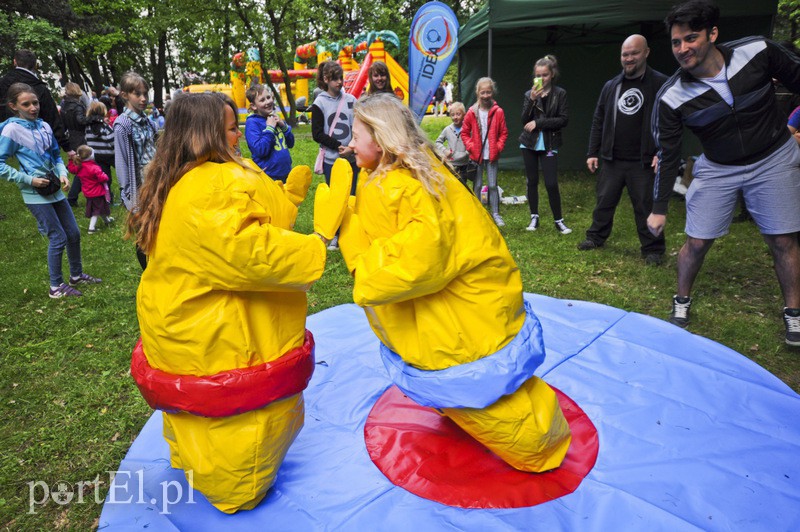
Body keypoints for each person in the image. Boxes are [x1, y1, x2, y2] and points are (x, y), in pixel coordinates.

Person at [127, 92, 349, 513]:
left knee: (196, 417)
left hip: (178, 324)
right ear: (206, 133)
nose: (239, 135)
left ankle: (197, 462)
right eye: (232, 128)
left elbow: (245, 217)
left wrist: (289, 198)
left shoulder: (186, 176)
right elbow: (249, 252)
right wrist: (318, 242)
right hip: (214, 335)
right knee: (238, 431)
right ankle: (236, 486)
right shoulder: (210, 186)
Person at [338, 93, 571, 473]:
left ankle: (542, 444)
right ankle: (470, 411)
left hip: (458, 316)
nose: (349, 141)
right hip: (452, 308)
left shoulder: (400, 185)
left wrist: (348, 240)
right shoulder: (394, 174)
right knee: (466, 387)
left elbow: (416, 263)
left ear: (381, 139)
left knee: (487, 395)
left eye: (357, 133)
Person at [648, 0, 800, 346]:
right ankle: (682, 300)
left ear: (712, 34)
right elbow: (668, 154)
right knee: (698, 241)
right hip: (717, 167)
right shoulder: (671, 96)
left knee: (782, 239)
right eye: (675, 42)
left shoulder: (758, 51)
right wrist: (658, 209)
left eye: (690, 38)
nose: (682, 49)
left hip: (774, 156)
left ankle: (794, 313)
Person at [0, 83, 101, 298]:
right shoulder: (11, 130)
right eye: (25, 104)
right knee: (58, 237)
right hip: (34, 194)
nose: (32, 108)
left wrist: (63, 172)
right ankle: (56, 287)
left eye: (35, 103)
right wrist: (28, 179)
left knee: (73, 233)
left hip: (54, 188)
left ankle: (76, 275)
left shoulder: (45, 126)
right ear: (13, 106)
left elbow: (56, 155)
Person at [579, 35, 668, 265]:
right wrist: (592, 152)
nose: (629, 58)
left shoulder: (660, 83)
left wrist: (662, 151)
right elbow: (598, 119)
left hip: (643, 160)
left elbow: (672, 121)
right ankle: (595, 238)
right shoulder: (611, 86)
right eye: (625, 54)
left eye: (634, 53)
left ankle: (653, 249)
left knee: (645, 206)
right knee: (604, 202)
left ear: (646, 53)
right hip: (612, 159)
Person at [519, 55, 572, 234]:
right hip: (529, 144)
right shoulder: (529, 94)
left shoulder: (560, 93)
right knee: (532, 181)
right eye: (538, 75)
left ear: (552, 74)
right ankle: (534, 217)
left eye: (545, 75)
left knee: (551, 183)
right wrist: (533, 100)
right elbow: (524, 120)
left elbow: (563, 120)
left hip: (550, 144)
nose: (541, 79)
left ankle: (559, 220)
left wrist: (539, 123)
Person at [311, 60, 358, 249]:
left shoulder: (351, 100)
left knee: (354, 196)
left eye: (341, 78)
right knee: (337, 198)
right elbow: (317, 134)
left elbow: (358, 127)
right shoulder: (319, 103)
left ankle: (353, 233)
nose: (340, 82)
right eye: (335, 79)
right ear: (325, 80)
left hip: (353, 158)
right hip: (332, 160)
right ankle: (337, 235)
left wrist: (353, 147)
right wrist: (339, 146)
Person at [114, 71, 157, 270]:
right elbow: (122, 162)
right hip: (140, 184)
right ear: (125, 95)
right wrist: (130, 197)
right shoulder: (123, 124)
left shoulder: (147, 119)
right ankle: (148, 271)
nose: (143, 99)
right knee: (144, 232)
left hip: (156, 177)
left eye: (145, 93)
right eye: (137, 94)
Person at [0, 50, 70, 152]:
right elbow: (51, 116)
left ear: (15, 62)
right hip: (36, 140)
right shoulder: (39, 87)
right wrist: (66, 145)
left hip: (10, 141)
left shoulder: (3, 83)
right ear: (35, 64)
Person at [462, 77, 508, 227]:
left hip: (492, 155)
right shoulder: (471, 112)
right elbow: (464, 132)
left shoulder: (498, 112)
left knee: (493, 185)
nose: (486, 95)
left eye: (488, 92)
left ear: (492, 92)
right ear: (478, 93)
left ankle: (495, 213)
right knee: (478, 184)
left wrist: (499, 147)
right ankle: (478, 212)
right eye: (483, 92)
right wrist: (470, 147)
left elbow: (503, 133)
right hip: (477, 156)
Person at [244, 83, 294, 182]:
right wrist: (270, 129)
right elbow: (260, 150)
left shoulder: (273, 117)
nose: (268, 102)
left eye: (268, 97)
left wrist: (284, 127)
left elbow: (291, 143)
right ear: (253, 106)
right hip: (269, 176)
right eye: (262, 100)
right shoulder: (252, 123)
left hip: (286, 173)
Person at [67, 145, 113, 234]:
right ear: (91, 156)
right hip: (97, 193)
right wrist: (105, 175)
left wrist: (70, 160)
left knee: (100, 207)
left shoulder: (80, 166)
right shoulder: (94, 167)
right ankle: (91, 228)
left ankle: (107, 220)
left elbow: (72, 170)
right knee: (96, 211)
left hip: (88, 193)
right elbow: (103, 178)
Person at [61, 82, 90, 206]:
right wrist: (92, 119)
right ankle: (72, 198)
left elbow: (63, 125)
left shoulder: (64, 106)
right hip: (80, 138)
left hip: (71, 137)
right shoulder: (78, 106)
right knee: (83, 168)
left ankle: (73, 197)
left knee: (81, 167)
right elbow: (81, 120)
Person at [434, 101, 473, 189]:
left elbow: (472, 142)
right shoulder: (447, 130)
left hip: (464, 164)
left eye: (458, 114)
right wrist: (445, 151)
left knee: (463, 186)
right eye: (452, 115)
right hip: (451, 164)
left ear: (464, 115)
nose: (455, 117)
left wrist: (467, 152)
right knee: (452, 186)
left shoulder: (468, 129)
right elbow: (438, 142)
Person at [84, 100, 116, 204]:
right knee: (121, 173)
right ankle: (111, 197)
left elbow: (87, 140)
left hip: (97, 156)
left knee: (104, 177)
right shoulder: (105, 126)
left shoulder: (87, 127)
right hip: (110, 156)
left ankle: (105, 198)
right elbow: (113, 141)